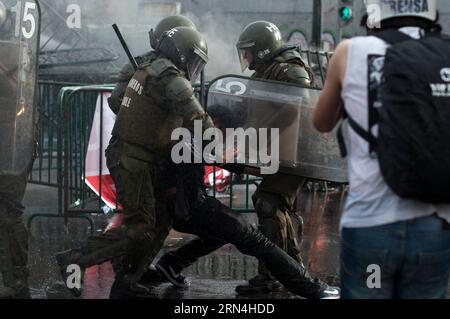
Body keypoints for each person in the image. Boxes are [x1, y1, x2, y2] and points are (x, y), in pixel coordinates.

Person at [150, 21, 339, 298]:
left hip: (296, 153)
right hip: (280, 151)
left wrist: (246, 142)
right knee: (267, 207)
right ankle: (281, 272)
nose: (247, 60)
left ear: (262, 50)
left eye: (249, 53)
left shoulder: (290, 69)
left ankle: (275, 277)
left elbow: (297, 106)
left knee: (268, 204)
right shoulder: (269, 70)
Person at [56, 26, 214, 298]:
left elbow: (118, 102)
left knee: (161, 220)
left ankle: (129, 278)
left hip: (140, 157)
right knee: (141, 226)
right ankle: (76, 258)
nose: (195, 67)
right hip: (133, 159)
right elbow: (201, 121)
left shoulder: (147, 68)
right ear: (181, 53)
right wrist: (220, 145)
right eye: (194, 59)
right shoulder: (171, 78)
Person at [313, 0, 450, 299]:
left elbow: (321, 122)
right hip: (435, 226)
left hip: (370, 226)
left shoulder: (350, 52)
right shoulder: (445, 55)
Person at [0, 0, 39, 299]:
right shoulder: (14, 54)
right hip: (14, 148)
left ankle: (15, 279)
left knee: (9, 216)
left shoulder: (10, 59)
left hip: (10, 151)